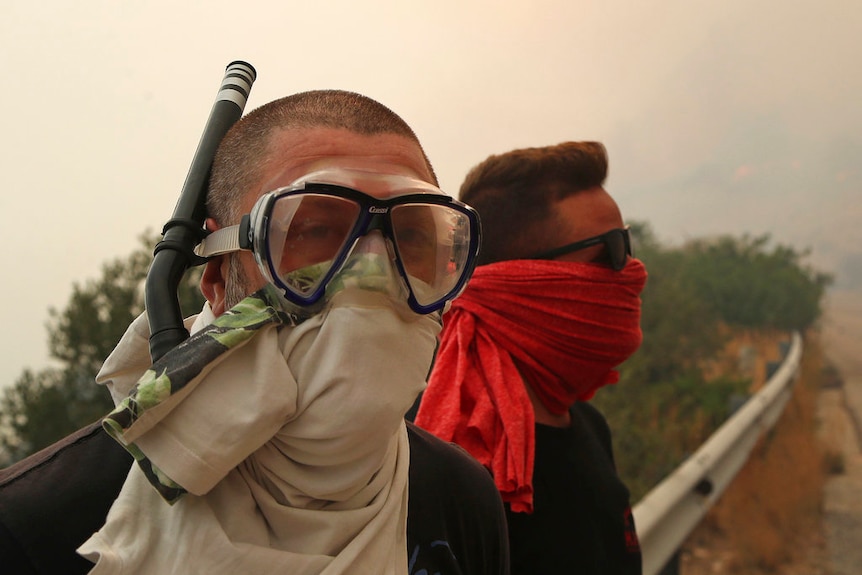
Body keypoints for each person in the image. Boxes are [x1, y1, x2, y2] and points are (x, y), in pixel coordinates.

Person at [0, 90, 509, 575]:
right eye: (314, 230)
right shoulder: (38, 525)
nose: (373, 278)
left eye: (413, 235)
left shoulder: (459, 497)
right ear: (219, 279)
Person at [411, 141, 647, 574]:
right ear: (520, 281)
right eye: (611, 251)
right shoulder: (427, 455)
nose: (633, 270)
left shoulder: (588, 425)